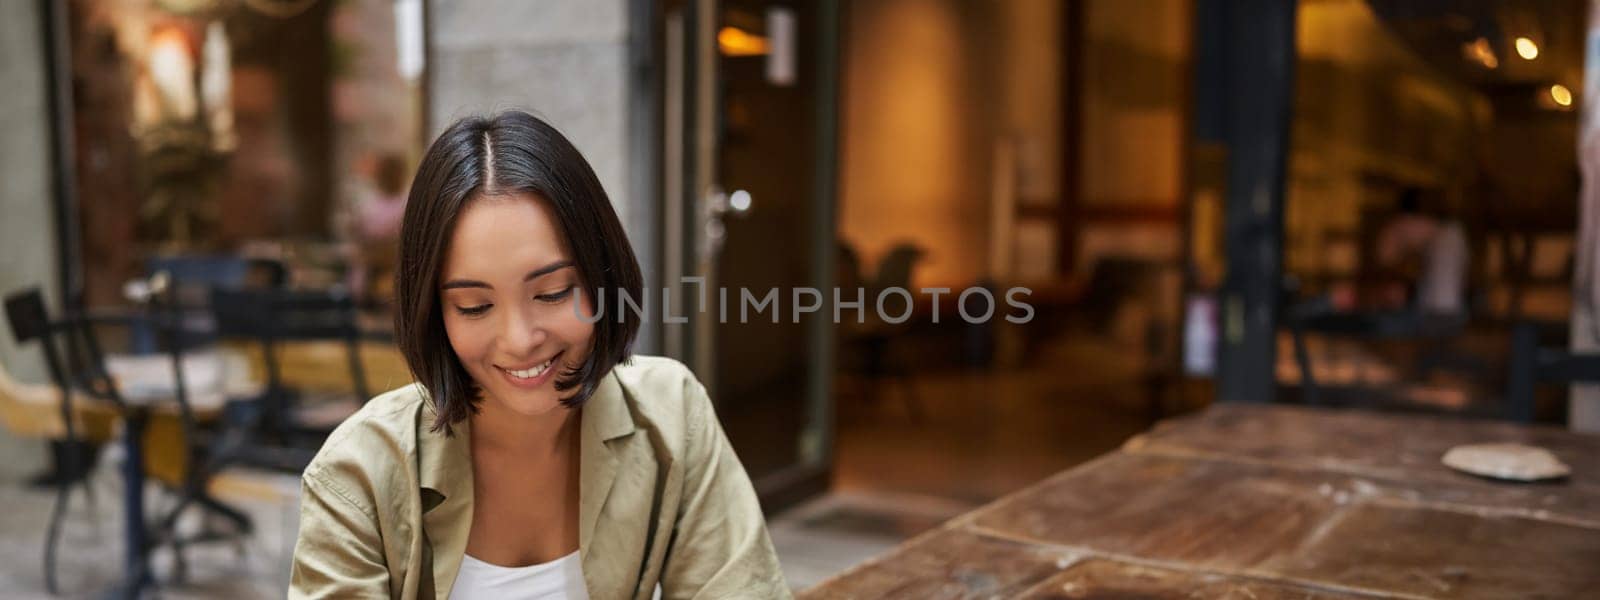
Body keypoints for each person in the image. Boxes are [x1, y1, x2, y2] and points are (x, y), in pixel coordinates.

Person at [290, 111, 789, 599]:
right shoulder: (358, 473)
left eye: (552, 293)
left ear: (602, 277)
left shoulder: (671, 415)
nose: (519, 339)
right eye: (475, 305)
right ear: (433, 313)